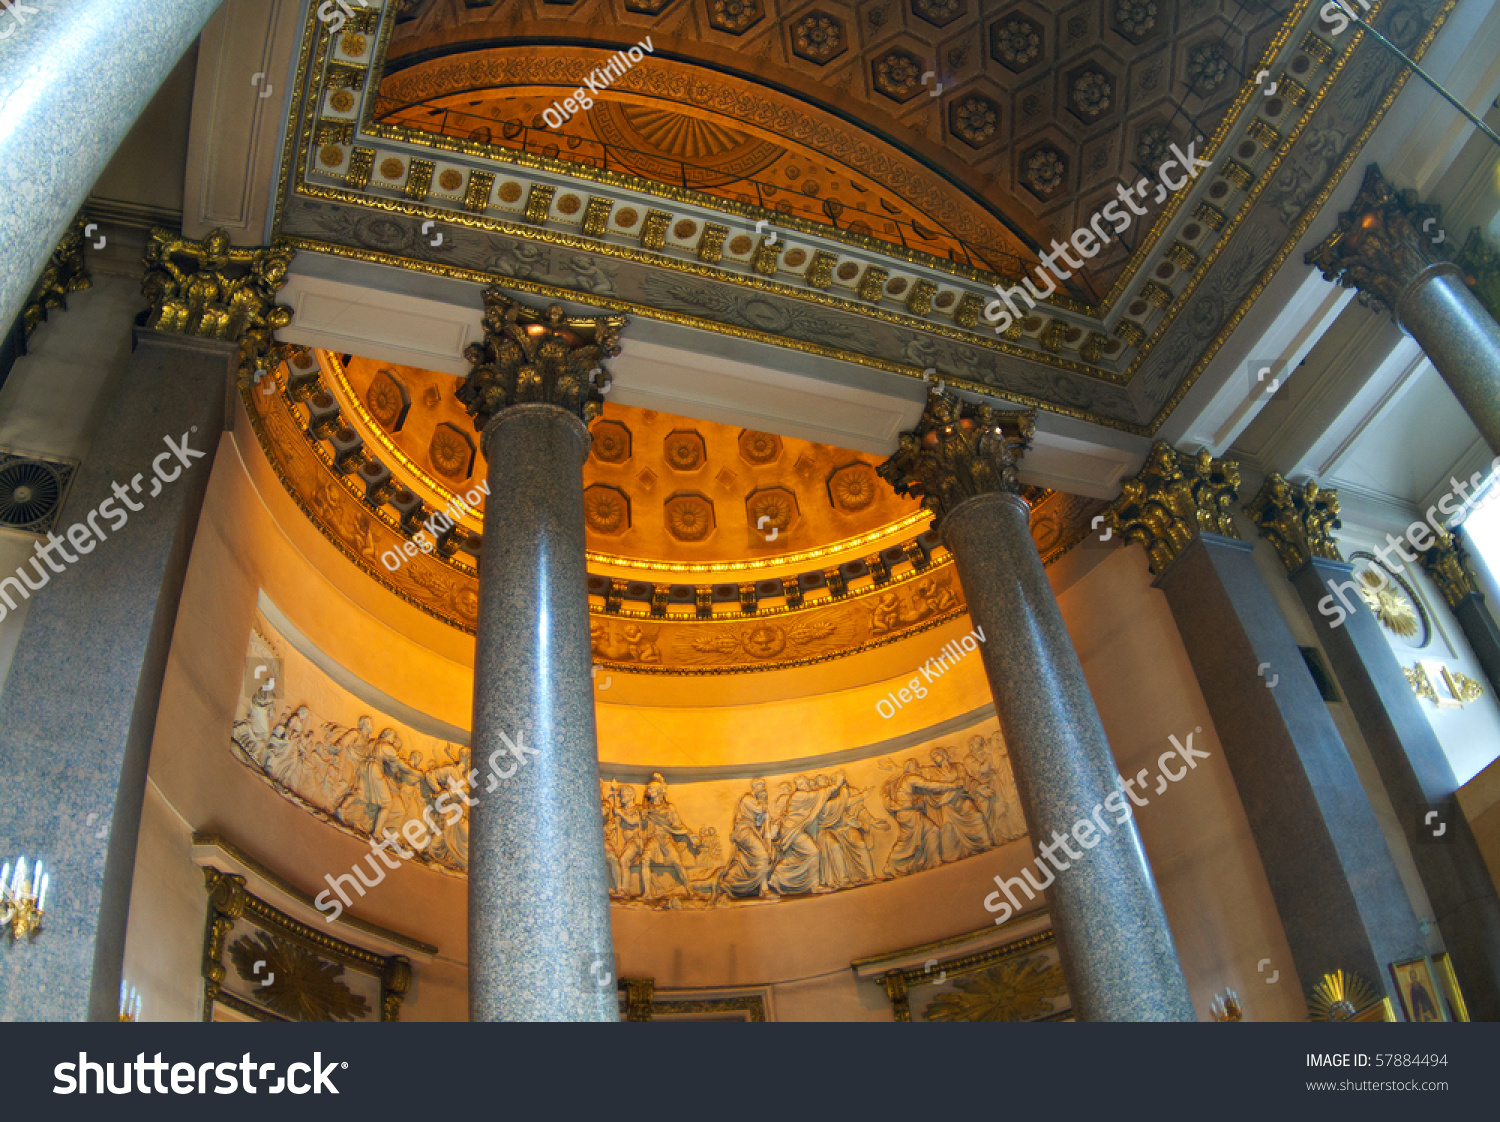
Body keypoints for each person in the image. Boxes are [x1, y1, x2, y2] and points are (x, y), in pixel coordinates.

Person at [923, 746, 990, 862]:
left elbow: (968, 780)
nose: (934, 758)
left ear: (943, 754)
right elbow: (932, 789)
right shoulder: (933, 772)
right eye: (932, 757)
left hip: (962, 800)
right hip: (948, 805)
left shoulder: (958, 767)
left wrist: (979, 788)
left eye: (935, 755)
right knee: (948, 828)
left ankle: (985, 844)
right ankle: (951, 856)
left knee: (977, 817)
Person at [639, 774, 698, 902]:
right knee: (644, 860)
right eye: (648, 788)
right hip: (653, 839)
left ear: (659, 791)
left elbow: (677, 825)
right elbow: (642, 827)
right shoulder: (646, 809)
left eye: (652, 789)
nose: (649, 791)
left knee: (677, 862)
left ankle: (689, 889)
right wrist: (643, 817)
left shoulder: (669, 808)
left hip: (666, 839)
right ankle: (647, 893)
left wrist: (689, 834)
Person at [716, 779, 774, 899]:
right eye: (760, 787)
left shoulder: (758, 802)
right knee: (762, 856)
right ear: (754, 788)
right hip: (745, 832)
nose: (762, 789)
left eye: (763, 787)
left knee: (747, 862)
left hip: (751, 831)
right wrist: (764, 803)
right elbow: (759, 810)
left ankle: (733, 883)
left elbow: (760, 822)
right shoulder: (748, 799)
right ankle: (760, 888)